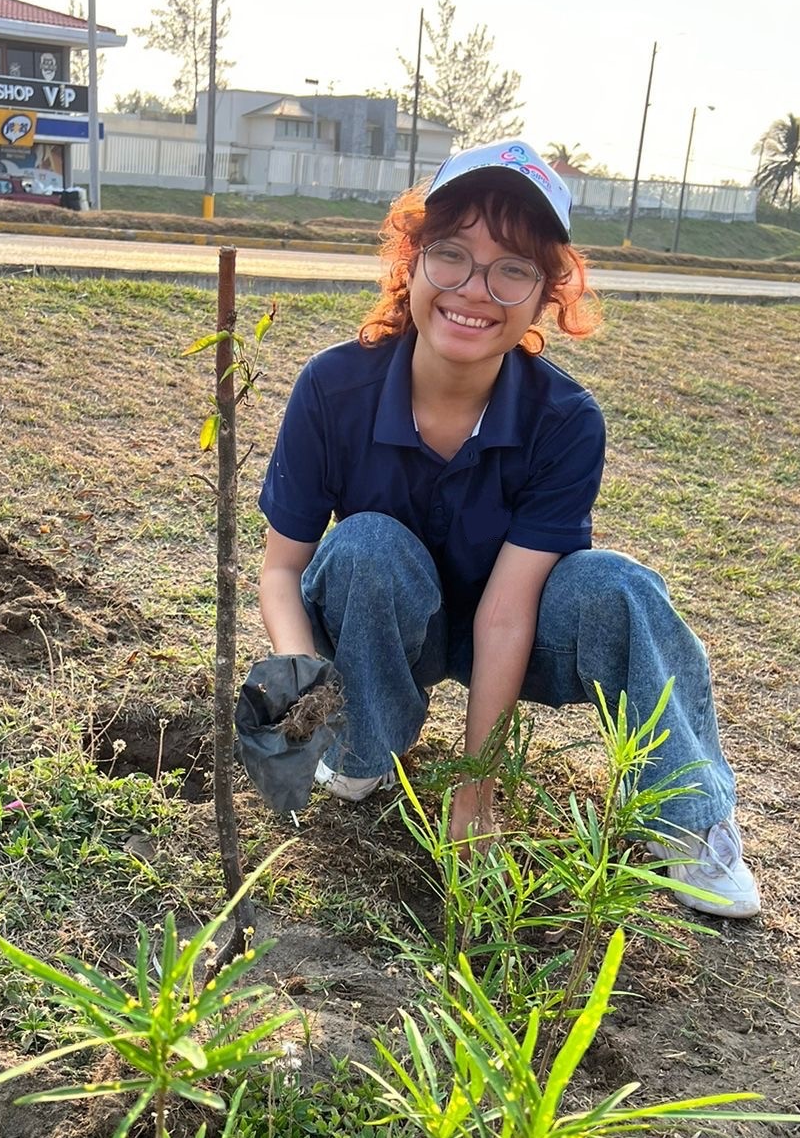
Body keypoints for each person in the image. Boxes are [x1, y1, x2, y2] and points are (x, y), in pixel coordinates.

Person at [255, 139, 760, 919]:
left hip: (516, 632)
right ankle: (362, 746)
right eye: (452, 255)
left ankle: (689, 817)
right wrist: (305, 684)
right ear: (413, 261)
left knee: (618, 587)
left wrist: (476, 789)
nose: (475, 290)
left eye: (512, 270)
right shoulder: (334, 386)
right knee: (363, 545)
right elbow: (282, 570)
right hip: (390, 621)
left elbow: (505, 612)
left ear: (545, 295)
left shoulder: (565, 420)